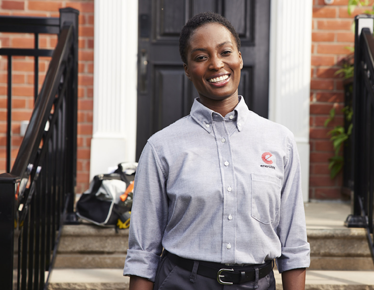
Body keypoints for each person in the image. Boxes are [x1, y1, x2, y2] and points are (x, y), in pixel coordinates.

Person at [123, 12, 310, 290]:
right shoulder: (161, 147)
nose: (216, 64)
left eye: (225, 52)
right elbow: (143, 253)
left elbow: (293, 245)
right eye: (200, 57)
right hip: (183, 282)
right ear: (187, 68)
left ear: (240, 58)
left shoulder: (279, 141)